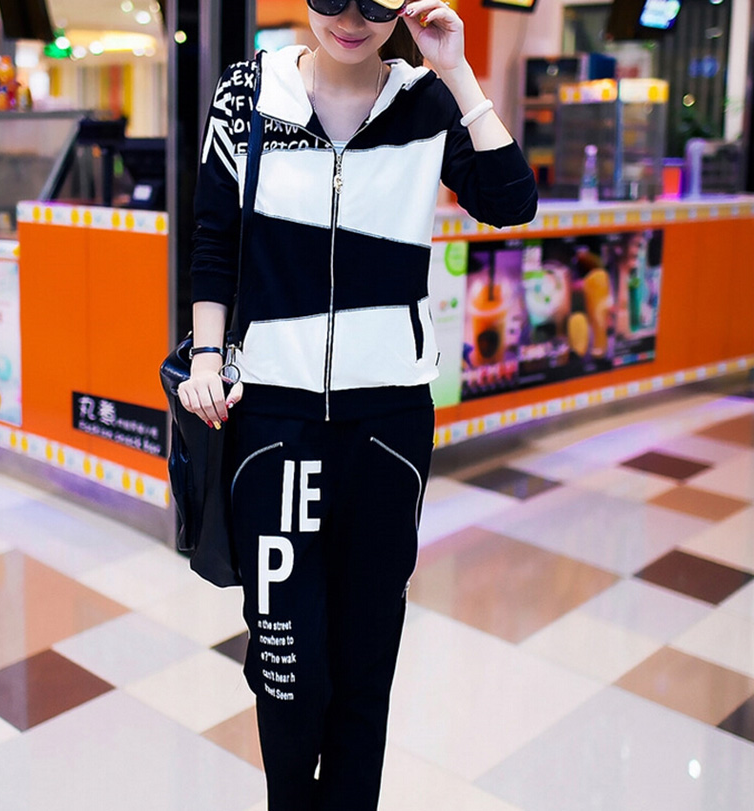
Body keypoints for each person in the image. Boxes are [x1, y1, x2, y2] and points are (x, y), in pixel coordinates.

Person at [178, 1, 537, 809]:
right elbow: (214, 238)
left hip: (388, 430)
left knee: (365, 668)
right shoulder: (246, 94)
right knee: (289, 670)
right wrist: (205, 355)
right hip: (274, 423)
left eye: (376, 3)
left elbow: (512, 200)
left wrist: (456, 71)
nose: (350, 18)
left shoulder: (426, 101)